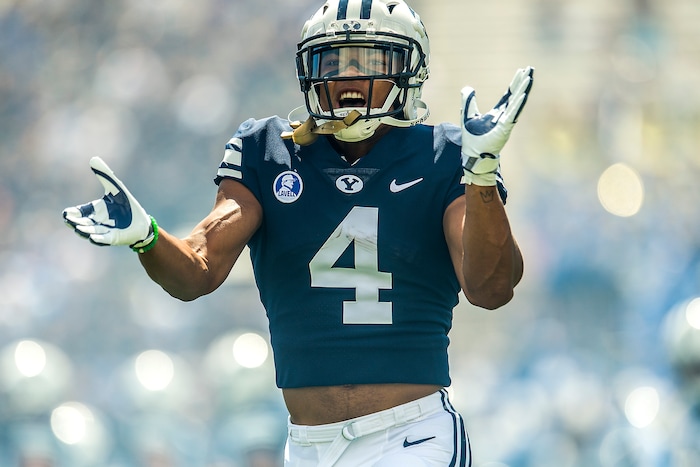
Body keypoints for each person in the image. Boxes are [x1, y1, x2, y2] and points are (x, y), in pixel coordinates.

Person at [63, 0, 534, 465]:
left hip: (410, 439)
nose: (349, 76)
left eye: (369, 60)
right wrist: (146, 235)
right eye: (333, 60)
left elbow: (491, 289)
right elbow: (196, 272)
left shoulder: (447, 153)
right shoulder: (265, 150)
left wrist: (482, 174)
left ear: (409, 69)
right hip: (308, 447)